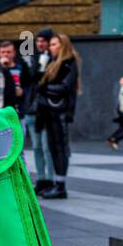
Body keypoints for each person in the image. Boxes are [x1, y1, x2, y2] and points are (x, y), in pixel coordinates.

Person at [34, 32, 81, 200]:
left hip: (59, 112)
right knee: (53, 148)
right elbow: (38, 81)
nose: (51, 47)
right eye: (51, 44)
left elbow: (65, 87)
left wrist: (45, 89)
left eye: (54, 44)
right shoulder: (53, 62)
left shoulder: (69, 63)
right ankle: (56, 183)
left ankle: (61, 186)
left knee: (60, 148)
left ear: (63, 46)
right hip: (50, 111)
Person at [18, 28, 55, 194]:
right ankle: (41, 179)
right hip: (32, 109)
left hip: (45, 109)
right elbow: (27, 81)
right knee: (37, 147)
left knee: (47, 147)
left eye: (43, 41)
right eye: (38, 41)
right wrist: (27, 63)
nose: (40, 44)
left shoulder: (53, 60)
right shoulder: (32, 59)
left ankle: (50, 180)